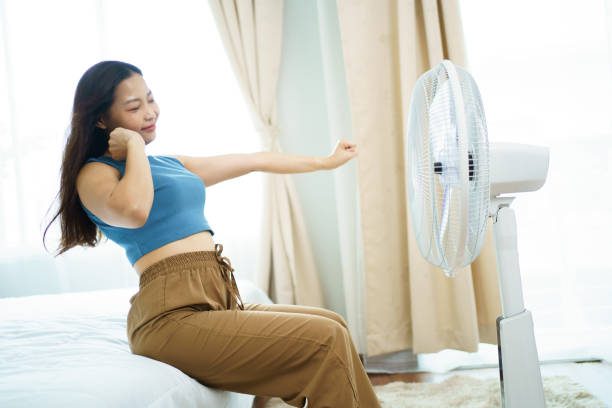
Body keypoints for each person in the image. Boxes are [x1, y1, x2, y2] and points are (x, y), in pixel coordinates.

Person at [43, 60, 381, 408]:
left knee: (332, 323)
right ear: (101, 120)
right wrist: (134, 148)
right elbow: (136, 210)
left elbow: (254, 160)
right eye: (134, 107)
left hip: (215, 299)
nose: (150, 112)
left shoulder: (168, 164)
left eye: (150, 99)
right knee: (324, 340)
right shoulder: (95, 175)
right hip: (169, 318)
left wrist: (326, 162)